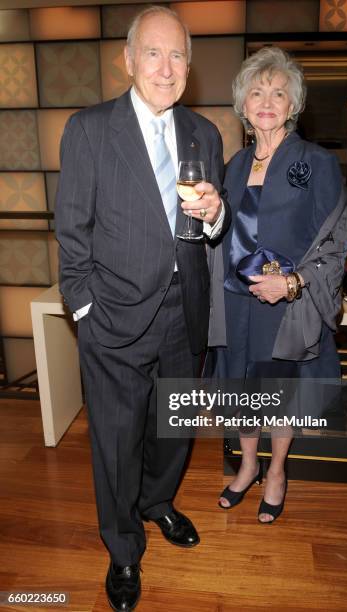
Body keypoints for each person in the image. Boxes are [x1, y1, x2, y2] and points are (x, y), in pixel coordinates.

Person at [55, 7, 229, 611]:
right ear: (128, 60)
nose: (166, 66)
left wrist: (216, 216)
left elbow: (215, 220)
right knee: (116, 439)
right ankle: (123, 549)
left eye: (178, 54)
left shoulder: (206, 134)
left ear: (189, 65)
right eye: (152, 53)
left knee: (174, 429)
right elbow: (72, 235)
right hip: (114, 320)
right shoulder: (88, 129)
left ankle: (157, 504)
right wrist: (84, 314)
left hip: (187, 313)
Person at [208, 47, 347, 524]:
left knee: (278, 395)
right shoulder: (233, 164)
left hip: (283, 304)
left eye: (278, 92)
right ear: (242, 105)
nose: (266, 101)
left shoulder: (317, 162)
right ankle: (248, 465)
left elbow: (335, 244)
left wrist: (290, 284)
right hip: (236, 301)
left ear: (294, 104)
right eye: (256, 92)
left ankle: (277, 472)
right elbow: (225, 231)